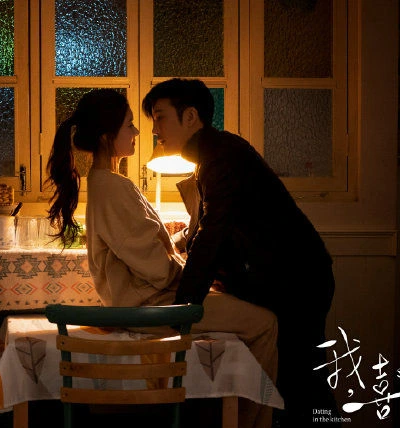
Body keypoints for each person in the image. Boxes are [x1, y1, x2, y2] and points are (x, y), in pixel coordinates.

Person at [46, 88, 279, 428]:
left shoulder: (109, 183)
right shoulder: (111, 187)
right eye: (130, 125)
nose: (138, 131)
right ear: (108, 136)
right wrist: (190, 273)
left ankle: (228, 414)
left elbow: (142, 249)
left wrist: (178, 250)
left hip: (147, 299)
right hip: (151, 305)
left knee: (240, 309)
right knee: (265, 324)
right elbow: (156, 268)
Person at [141, 78, 339, 427]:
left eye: (160, 117)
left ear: (190, 117)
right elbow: (208, 226)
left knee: (302, 384)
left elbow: (213, 233)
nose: (154, 129)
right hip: (289, 276)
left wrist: (183, 308)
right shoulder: (213, 155)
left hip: (297, 280)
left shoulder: (221, 157)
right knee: (295, 383)